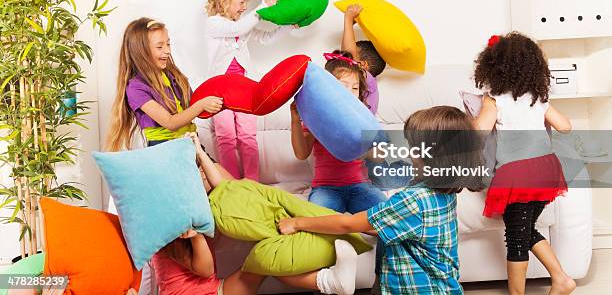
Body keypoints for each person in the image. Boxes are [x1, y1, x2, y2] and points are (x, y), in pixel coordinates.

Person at [280, 106, 485, 294]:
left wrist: (297, 222)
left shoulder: (413, 201)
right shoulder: (445, 192)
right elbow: (395, 225)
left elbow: (346, 223)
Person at [151, 132, 361, 295]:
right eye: (199, 174)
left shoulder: (198, 205)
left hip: (216, 287)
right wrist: (196, 237)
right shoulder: (171, 222)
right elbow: (204, 270)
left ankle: (331, 279)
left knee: (269, 258)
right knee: (265, 260)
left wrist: (200, 152)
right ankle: (330, 282)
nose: (204, 176)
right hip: (208, 293)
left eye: (203, 172)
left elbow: (227, 187)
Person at [472, 32, 575, 295]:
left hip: (517, 173)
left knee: (516, 239)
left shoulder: (494, 98)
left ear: (493, 66)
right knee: (524, 230)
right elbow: (565, 126)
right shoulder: (537, 98)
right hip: (545, 169)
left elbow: (479, 132)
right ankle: (562, 279)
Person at [205, 0, 294, 181]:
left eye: (247, 2)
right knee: (226, 137)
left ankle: (252, 182)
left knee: (247, 136)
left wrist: (288, 27)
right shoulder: (214, 23)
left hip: (244, 88)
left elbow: (265, 38)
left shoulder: (243, 24)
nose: (245, 7)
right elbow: (237, 29)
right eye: (241, 1)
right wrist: (262, 7)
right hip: (219, 90)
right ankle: (231, 182)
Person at [290, 50, 387, 214]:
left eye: (355, 88)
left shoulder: (363, 118)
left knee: (388, 216)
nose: (350, 93)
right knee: (316, 221)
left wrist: (363, 151)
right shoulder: (317, 117)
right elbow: (301, 154)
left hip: (362, 186)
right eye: (343, 86)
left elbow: (381, 156)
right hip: (326, 188)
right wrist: (295, 120)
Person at [106, 17, 223, 151]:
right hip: (164, 150)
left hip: (190, 143)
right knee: (212, 172)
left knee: (221, 173)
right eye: (160, 46)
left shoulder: (172, 74)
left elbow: (192, 104)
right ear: (141, 51)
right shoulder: (135, 88)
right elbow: (170, 122)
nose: (167, 51)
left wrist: (218, 99)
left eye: (168, 44)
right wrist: (202, 104)